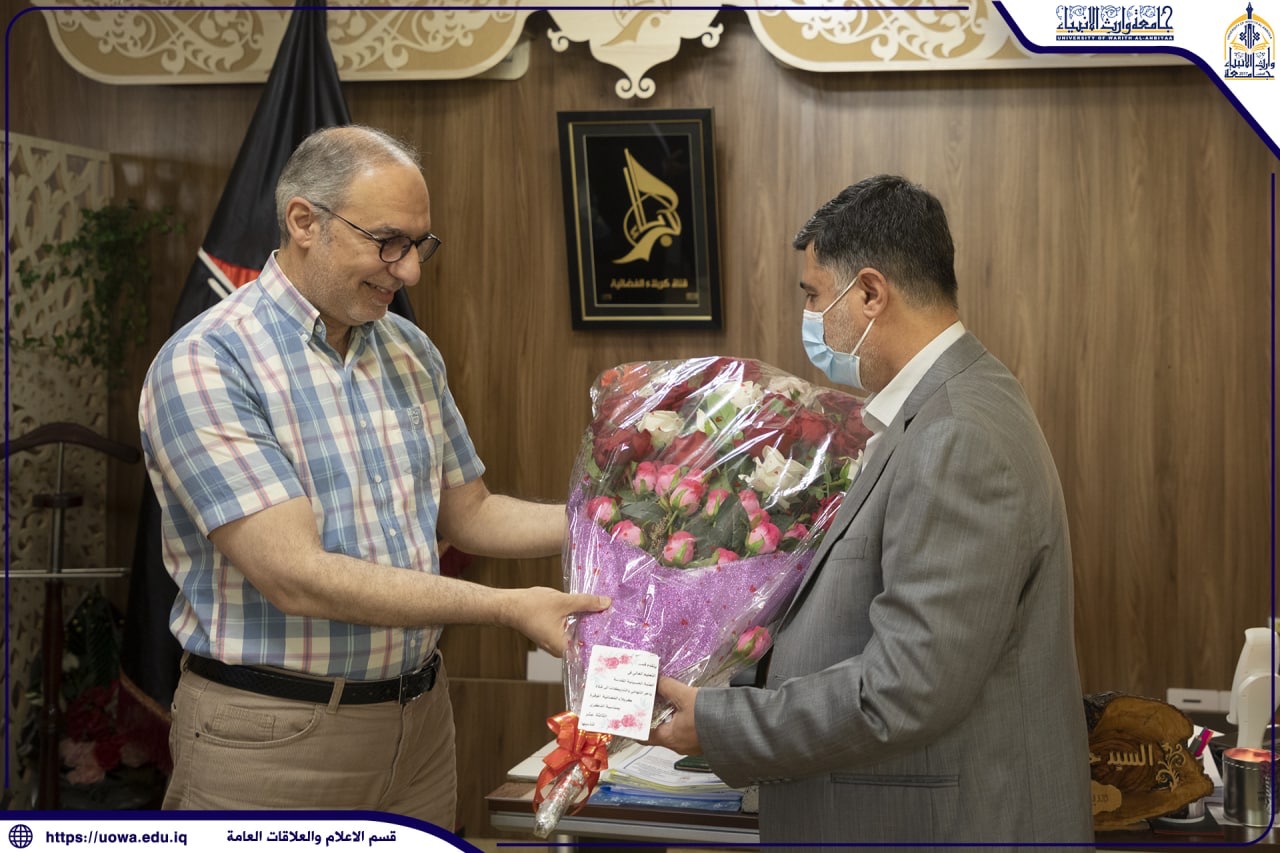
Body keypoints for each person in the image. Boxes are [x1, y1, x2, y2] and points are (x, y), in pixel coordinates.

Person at [139, 125, 609, 824]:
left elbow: (471, 514)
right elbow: (295, 575)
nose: (410, 270)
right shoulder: (208, 361)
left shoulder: (407, 348)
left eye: (419, 244)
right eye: (388, 241)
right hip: (276, 736)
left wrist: (613, 520)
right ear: (305, 221)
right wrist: (508, 607)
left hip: (419, 725)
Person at [649, 175, 1094, 849]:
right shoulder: (937, 409)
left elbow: (905, 687)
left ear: (869, 293)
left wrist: (722, 723)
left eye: (813, 295)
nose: (809, 316)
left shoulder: (956, 434)